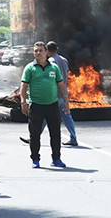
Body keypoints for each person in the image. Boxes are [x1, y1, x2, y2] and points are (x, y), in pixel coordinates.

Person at [19, 41, 69, 169]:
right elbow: (23, 86)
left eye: (40, 50)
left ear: (46, 52)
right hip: (36, 106)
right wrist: (23, 102)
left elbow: (61, 85)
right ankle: (35, 159)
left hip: (52, 105)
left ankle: (56, 159)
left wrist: (66, 101)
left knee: (55, 133)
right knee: (34, 134)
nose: (38, 53)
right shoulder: (30, 68)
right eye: (36, 51)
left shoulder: (54, 67)